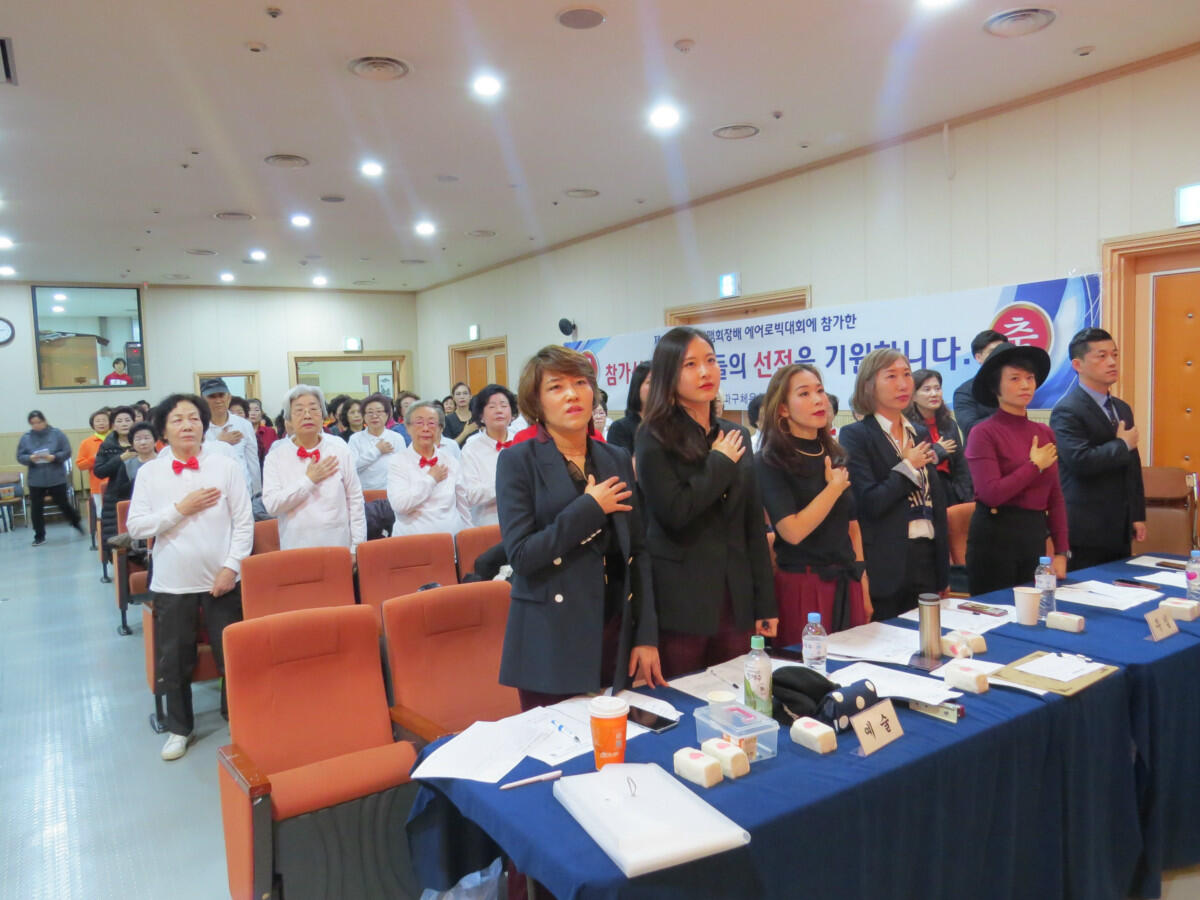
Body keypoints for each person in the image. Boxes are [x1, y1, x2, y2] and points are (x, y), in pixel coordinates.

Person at [497, 345, 665, 707]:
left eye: (580, 383)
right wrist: (589, 508)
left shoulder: (614, 456)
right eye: (556, 387)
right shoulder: (517, 461)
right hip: (550, 635)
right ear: (536, 402)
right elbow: (522, 556)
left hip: (612, 628)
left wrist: (645, 635)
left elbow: (637, 551)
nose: (572, 394)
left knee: (619, 736)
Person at [635, 326, 776, 677]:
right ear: (669, 374)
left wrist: (764, 601)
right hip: (683, 598)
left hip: (735, 597)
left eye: (710, 361)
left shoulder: (736, 433)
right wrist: (719, 463)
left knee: (736, 692)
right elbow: (674, 512)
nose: (705, 372)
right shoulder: (653, 435)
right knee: (686, 695)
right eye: (690, 364)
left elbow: (752, 524)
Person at [126, 394, 252, 761]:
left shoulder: (225, 465)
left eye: (194, 418)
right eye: (178, 419)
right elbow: (137, 526)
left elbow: (244, 523)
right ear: (163, 430)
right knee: (175, 657)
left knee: (231, 654)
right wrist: (179, 510)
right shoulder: (151, 472)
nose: (187, 425)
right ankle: (179, 728)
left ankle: (238, 718)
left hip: (223, 579)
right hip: (173, 581)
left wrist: (232, 567)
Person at [758, 364, 871, 640]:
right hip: (803, 584)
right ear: (783, 409)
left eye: (820, 391)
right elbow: (792, 531)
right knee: (809, 664)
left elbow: (852, 527)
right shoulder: (770, 460)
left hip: (848, 580)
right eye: (804, 393)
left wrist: (863, 584)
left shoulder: (835, 452)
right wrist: (833, 489)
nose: (819, 400)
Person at [838, 349, 949, 620]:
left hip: (927, 558)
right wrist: (908, 467)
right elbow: (869, 502)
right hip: (886, 563)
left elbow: (935, 502)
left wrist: (943, 569)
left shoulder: (918, 432)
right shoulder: (856, 435)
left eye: (907, 375)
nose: (903, 384)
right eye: (891, 376)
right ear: (869, 385)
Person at [964, 342, 1068, 594]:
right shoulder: (983, 432)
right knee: (997, 611)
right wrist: (1034, 466)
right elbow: (991, 493)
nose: (1025, 385)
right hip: (995, 538)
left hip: (1034, 536)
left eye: (1030, 378)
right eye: (1015, 378)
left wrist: (1062, 551)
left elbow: (1055, 496)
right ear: (995, 387)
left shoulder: (1044, 432)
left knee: (1036, 609)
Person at [1049, 327, 1146, 570]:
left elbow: (1132, 466)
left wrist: (1136, 514)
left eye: (1114, 354)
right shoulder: (1067, 410)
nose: (1112, 362)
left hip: (1119, 525)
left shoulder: (1122, 408)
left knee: (1122, 584)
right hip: (1085, 527)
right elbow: (1079, 461)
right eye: (1101, 356)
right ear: (1077, 365)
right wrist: (1122, 444)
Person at [263, 385, 366, 553]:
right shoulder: (275, 457)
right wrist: (309, 480)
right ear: (288, 419)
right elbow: (272, 506)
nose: (307, 415)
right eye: (299, 410)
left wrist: (357, 546)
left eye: (313, 409)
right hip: (296, 547)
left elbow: (355, 499)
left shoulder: (339, 449)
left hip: (337, 544)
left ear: (323, 416)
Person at [387, 400, 470, 536]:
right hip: (411, 541)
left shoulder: (450, 461)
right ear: (407, 427)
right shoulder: (397, 461)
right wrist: (431, 479)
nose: (425, 428)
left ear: (440, 429)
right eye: (419, 423)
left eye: (431, 423)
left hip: (450, 538)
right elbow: (400, 505)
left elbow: (462, 505)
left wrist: (468, 536)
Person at [906, 369, 973, 504]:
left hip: (951, 490)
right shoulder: (907, 426)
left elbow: (960, 464)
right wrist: (937, 450)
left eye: (937, 388)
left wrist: (967, 497)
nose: (934, 394)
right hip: (923, 492)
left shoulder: (949, 424)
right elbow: (910, 465)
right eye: (927, 389)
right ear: (913, 396)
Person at [17, 410, 84, 546]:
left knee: (63, 503)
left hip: (56, 476)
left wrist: (54, 457)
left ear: (45, 421)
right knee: (36, 508)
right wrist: (30, 458)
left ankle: (76, 522)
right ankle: (39, 535)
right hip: (36, 479)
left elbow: (67, 451)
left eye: (39, 422)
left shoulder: (57, 434)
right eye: (33, 423)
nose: (36, 425)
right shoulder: (26, 437)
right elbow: (20, 456)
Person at [459, 384, 517, 527]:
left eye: (504, 405)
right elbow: (470, 494)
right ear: (481, 416)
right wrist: (506, 485)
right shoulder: (471, 449)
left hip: (523, 521)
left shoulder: (522, 441)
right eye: (492, 406)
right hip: (488, 523)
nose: (499, 410)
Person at [199, 378, 261, 505]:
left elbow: (252, 461)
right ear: (203, 400)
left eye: (221, 395)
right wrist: (219, 442)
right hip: (210, 494)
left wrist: (257, 492)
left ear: (229, 397)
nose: (218, 400)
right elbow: (197, 458)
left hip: (243, 493)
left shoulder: (243, 425)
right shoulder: (199, 426)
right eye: (212, 396)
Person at [100, 421, 158, 549]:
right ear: (132, 443)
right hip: (138, 507)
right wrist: (139, 480)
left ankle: (136, 540)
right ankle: (139, 541)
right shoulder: (127, 464)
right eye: (138, 439)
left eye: (147, 438)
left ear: (155, 440)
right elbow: (121, 492)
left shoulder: (165, 461)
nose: (143, 442)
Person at [952, 329, 1006, 442]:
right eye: (993, 352)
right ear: (978, 357)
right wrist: (1006, 415)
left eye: (1003, 351)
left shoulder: (1014, 387)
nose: (999, 355)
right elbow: (970, 428)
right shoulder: (964, 391)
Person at [348, 393, 403, 491]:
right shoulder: (355, 439)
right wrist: (377, 450)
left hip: (392, 492)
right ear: (363, 416)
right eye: (370, 412)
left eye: (379, 411)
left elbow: (403, 468)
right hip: (364, 493)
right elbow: (351, 468)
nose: (374, 416)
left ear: (387, 415)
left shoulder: (396, 438)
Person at [605, 361, 651, 454]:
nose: (657, 388)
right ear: (637, 387)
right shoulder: (620, 428)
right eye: (650, 382)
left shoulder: (671, 425)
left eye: (660, 383)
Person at [92, 407, 137, 496]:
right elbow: (99, 472)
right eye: (119, 421)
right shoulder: (107, 445)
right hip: (116, 494)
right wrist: (120, 458)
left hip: (143, 491)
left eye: (127, 420)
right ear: (113, 426)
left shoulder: (142, 443)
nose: (124, 424)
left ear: (134, 423)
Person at [76, 408, 112, 515]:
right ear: (92, 424)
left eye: (104, 420)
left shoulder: (116, 439)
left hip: (119, 483)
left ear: (110, 423)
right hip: (98, 485)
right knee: (102, 515)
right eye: (98, 421)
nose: (101, 423)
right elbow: (80, 465)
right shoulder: (86, 443)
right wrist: (94, 458)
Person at [246, 398, 277, 463]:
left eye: (256, 410)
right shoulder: (241, 433)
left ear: (262, 413)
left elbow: (277, 452)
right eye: (249, 410)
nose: (253, 413)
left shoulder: (270, 432)